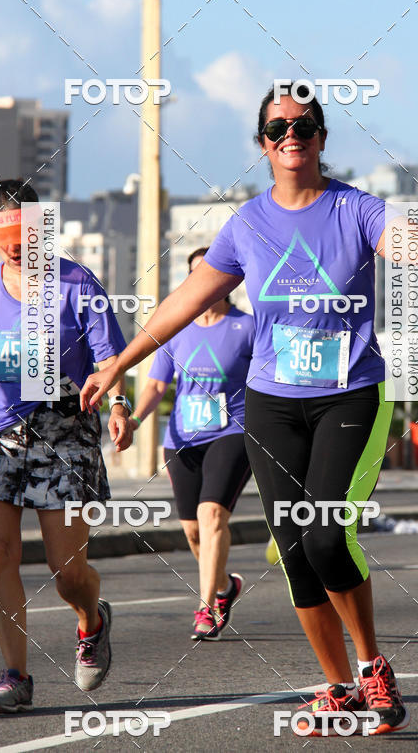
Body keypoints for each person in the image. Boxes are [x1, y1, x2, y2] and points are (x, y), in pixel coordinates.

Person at [80, 83, 418, 736]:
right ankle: (337, 687)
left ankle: (372, 666)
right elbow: (185, 298)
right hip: (271, 404)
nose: (292, 134)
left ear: (320, 137)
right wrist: (119, 362)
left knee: (323, 534)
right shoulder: (247, 224)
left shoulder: (354, 210)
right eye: (278, 126)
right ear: (263, 142)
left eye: (304, 124)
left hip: (350, 396)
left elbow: (417, 244)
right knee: (293, 549)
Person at [0, 179, 132, 714]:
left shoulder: (77, 283)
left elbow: (109, 360)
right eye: (2, 234)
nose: (13, 244)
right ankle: (15, 676)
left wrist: (119, 405)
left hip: (64, 430)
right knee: (0, 553)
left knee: (65, 569)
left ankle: (91, 618)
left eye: (23, 232)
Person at [131, 247, 254, 640]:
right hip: (182, 438)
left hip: (233, 431)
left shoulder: (248, 327)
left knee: (212, 515)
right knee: (193, 531)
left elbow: (270, 383)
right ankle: (223, 588)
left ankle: (205, 608)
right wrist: (134, 421)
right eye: (193, 274)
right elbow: (155, 384)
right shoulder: (177, 328)